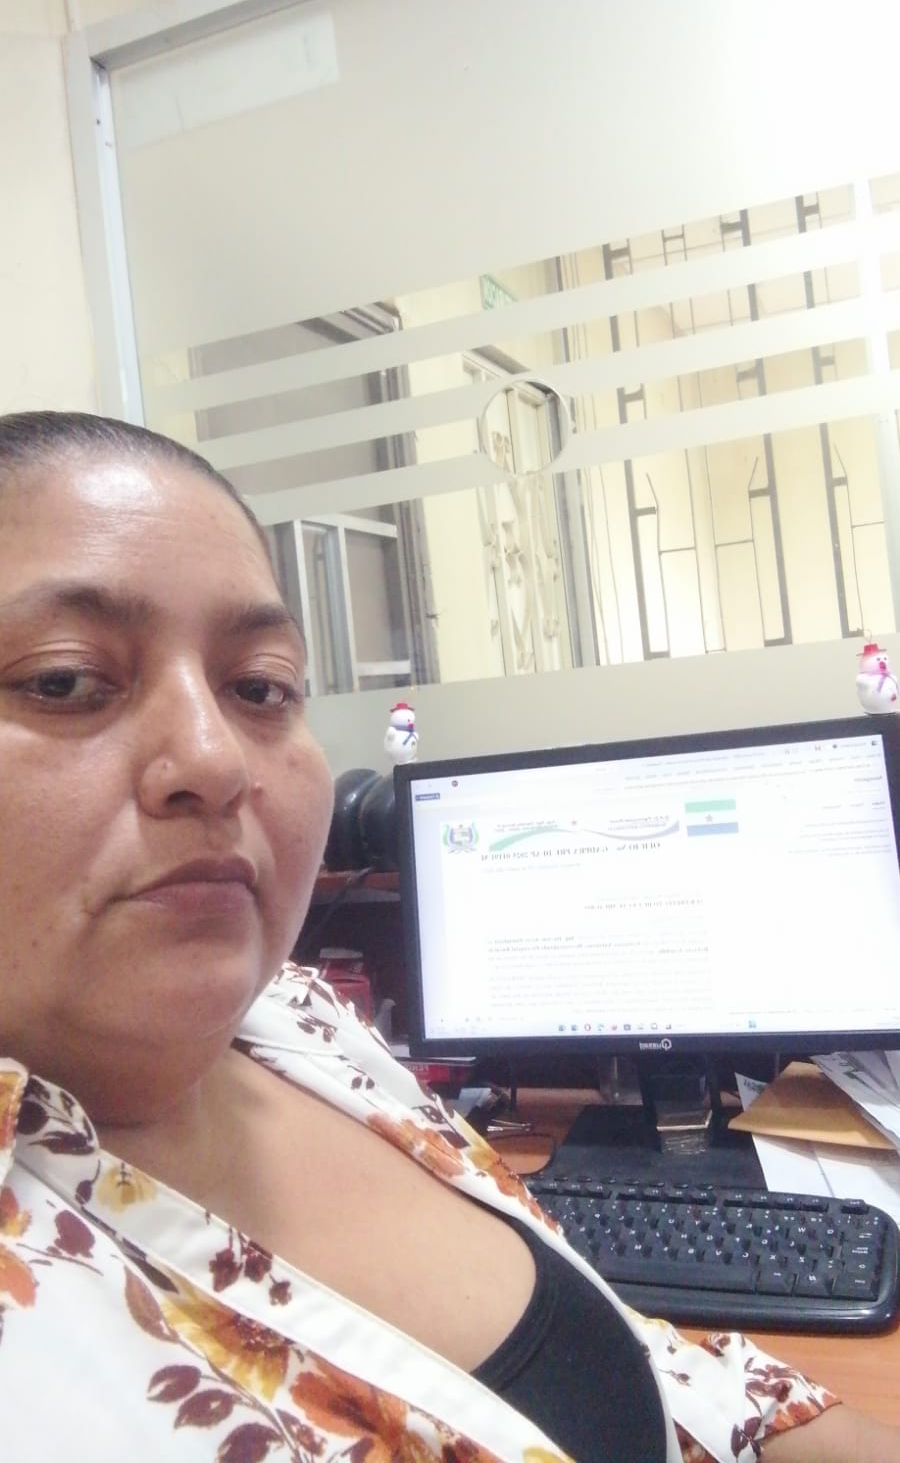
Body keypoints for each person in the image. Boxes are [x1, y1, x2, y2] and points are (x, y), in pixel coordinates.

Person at [0, 409, 897, 1463]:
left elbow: (673, 1382)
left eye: (260, 688)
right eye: (62, 680)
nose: (215, 756)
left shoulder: (307, 1028)